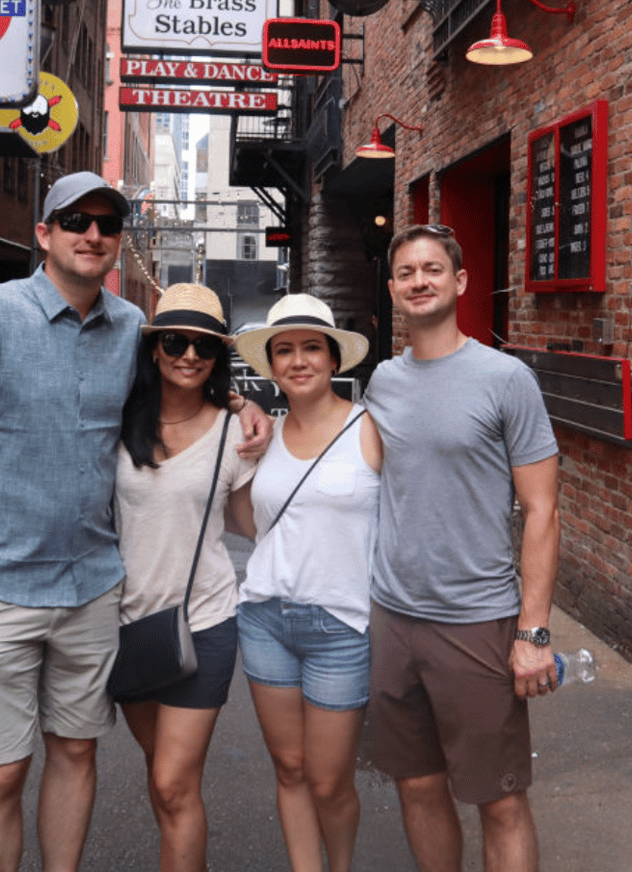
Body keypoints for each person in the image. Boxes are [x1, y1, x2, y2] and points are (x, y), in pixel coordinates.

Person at [0, 172, 270, 872]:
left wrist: (239, 406)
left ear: (117, 242)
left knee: (76, 751)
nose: (92, 233)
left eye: (107, 223)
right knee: (0, 771)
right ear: (43, 233)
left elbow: (184, 380)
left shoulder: (136, 333)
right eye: (75, 219)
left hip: (94, 592)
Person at [364, 223, 561, 872]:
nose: (419, 280)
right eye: (407, 272)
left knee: (498, 798)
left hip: (477, 621)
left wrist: (532, 630)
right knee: (416, 785)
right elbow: (336, 461)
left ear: (460, 281)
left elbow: (542, 510)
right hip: (394, 618)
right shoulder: (382, 383)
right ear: (393, 289)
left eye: (432, 269)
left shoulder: (506, 379)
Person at [228, 295, 382, 872]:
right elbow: (252, 525)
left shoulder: (371, 429)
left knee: (329, 780)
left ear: (333, 358)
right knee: (289, 769)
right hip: (265, 617)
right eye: (284, 350)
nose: (298, 361)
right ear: (269, 365)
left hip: (342, 626)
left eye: (311, 348)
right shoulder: (264, 434)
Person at [114, 283, 257, 872]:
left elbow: (256, 523)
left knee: (174, 781)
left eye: (203, 345)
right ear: (154, 349)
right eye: (175, 341)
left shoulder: (235, 433)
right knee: (162, 775)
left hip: (204, 624)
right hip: (125, 626)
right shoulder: (117, 422)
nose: (189, 355)